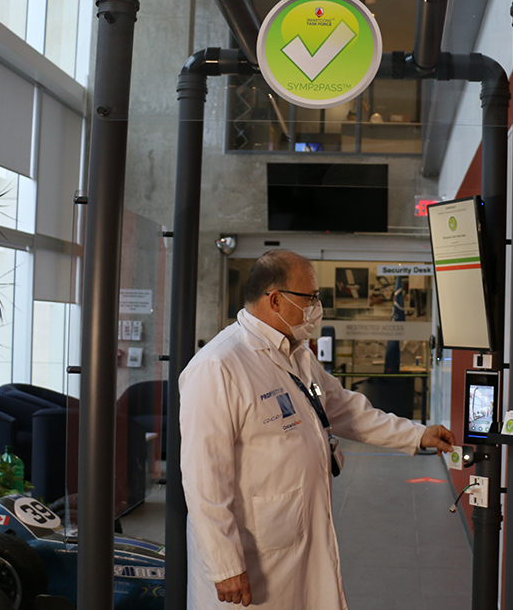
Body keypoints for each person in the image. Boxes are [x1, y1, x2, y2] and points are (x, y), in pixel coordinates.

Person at [180, 250, 456, 609]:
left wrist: (415, 434)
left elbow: (345, 408)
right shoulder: (219, 366)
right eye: (310, 298)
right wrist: (224, 564)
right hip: (253, 553)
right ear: (275, 299)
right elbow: (204, 481)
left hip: (298, 538)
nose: (316, 308)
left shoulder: (296, 355)